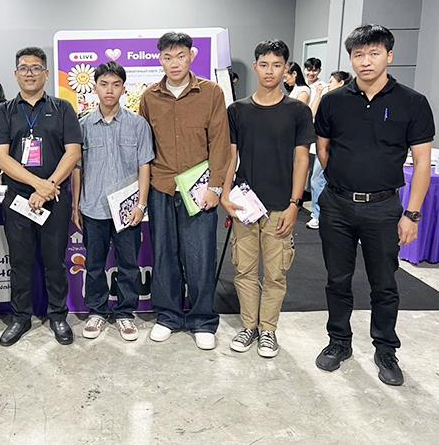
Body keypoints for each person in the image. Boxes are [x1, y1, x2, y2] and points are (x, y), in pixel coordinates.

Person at [314, 25, 435, 386]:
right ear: (351, 58)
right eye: (358, 55)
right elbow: (323, 148)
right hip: (337, 205)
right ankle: (339, 341)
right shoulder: (333, 101)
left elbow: (423, 162)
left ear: (389, 56)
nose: (365, 61)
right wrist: (342, 179)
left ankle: (385, 349)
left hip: (383, 208)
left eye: (374, 53)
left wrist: (412, 214)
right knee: (337, 279)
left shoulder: (412, 102)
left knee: (384, 283)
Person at [138, 32, 231, 350]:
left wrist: (216, 187)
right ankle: (168, 316)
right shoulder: (149, 97)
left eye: (180, 56)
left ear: (192, 56)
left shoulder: (211, 93)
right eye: (167, 57)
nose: (174, 63)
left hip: (200, 191)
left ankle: (202, 320)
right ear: (160, 59)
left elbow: (220, 143)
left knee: (200, 256)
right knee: (164, 254)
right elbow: (143, 146)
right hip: (161, 188)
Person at [222, 40, 314, 358]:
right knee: (244, 270)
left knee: (275, 273)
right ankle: (249, 326)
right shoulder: (237, 110)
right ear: (256, 66)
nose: (270, 71)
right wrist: (224, 194)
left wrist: (295, 204)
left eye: (277, 65)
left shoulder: (298, 111)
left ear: (286, 69)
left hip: (280, 206)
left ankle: (268, 330)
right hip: (245, 203)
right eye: (264, 64)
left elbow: (301, 159)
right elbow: (230, 156)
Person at [0, 47, 82, 346]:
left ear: (46, 73)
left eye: (36, 67)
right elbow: (1, 158)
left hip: (55, 198)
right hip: (18, 200)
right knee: (20, 262)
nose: (30, 73)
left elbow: (73, 152)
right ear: (15, 73)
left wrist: (49, 186)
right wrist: (37, 185)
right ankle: (21, 317)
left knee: (55, 261)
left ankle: (58, 316)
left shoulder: (63, 108)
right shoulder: (3, 111)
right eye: (24, 68)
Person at [72, 62, 154, 341]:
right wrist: (75, 205)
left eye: (116, 84)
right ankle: (96, 311)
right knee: (94, 264)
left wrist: (141, 205)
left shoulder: (138, 124)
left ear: (123, 88)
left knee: (128, 264)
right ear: (95, 87)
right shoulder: (82, 125)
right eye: (104, 84)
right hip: (93, 207)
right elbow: (77, 168)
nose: (110, 90)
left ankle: (125, 313)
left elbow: (145, 166)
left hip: (128, 211)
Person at [306, 70, 352, 230]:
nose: (328, 84)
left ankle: (318, 216)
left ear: (341, 83)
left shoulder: (340, 101)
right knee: (320, 180)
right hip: (328, 147)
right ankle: (321, 214)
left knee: (318, 180)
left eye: (331, 81)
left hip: (334, 147)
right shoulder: (332, 100)